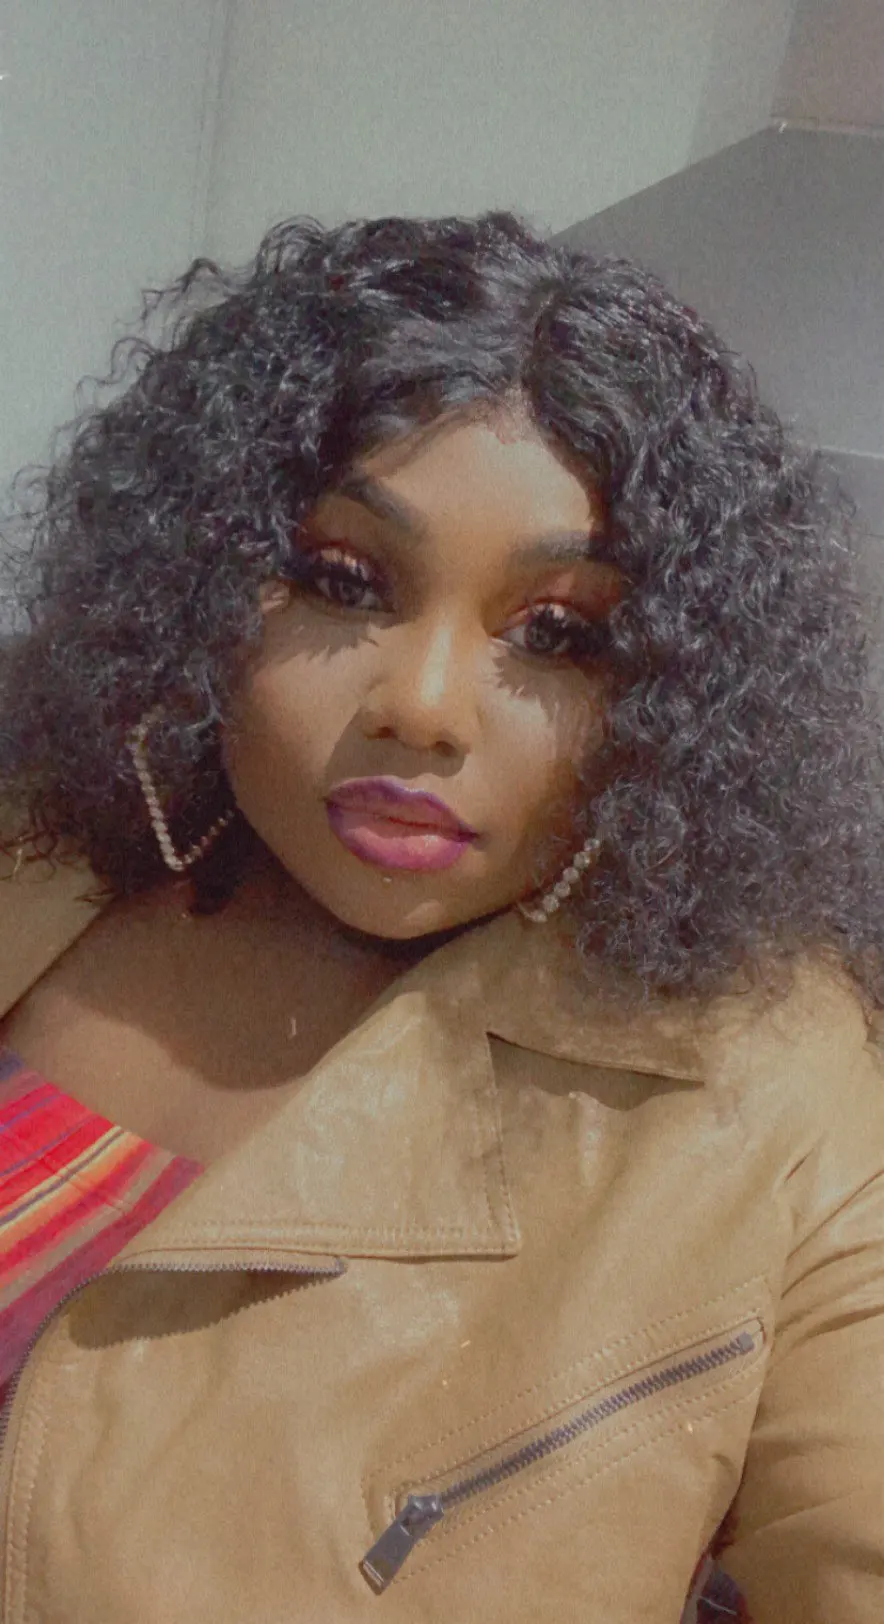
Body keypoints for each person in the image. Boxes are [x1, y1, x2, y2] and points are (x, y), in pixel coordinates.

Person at [0, 209, 883, 1623]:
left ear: (677, 692)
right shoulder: (42, 834)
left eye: (560, 633)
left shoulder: (769, 1084)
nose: (422, 707)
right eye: (344, 584)